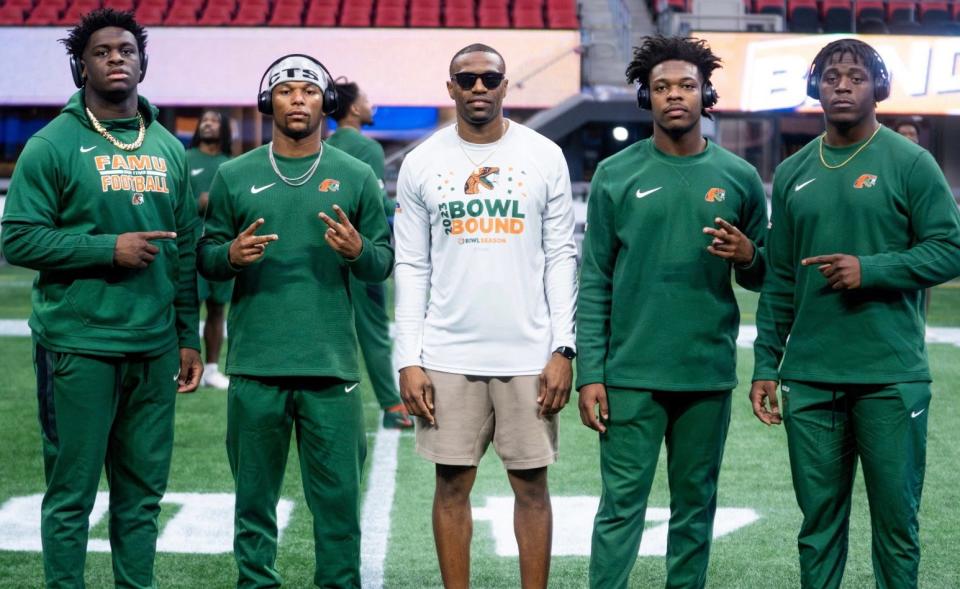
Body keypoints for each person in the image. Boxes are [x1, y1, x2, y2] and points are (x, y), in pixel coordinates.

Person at [0, 8, 202, 587]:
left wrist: (188, 336)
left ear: (143, 62)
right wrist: (105, 249)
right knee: (72, 496)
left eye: (127, 50)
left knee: (141, 498)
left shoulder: (166, 145)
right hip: (78, 343)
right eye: (102, 51)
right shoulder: (52, 143)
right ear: (79, 65)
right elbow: (18, 238)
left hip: (154, 345)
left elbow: (184, 248)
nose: (117, 58)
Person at [751, 38, 960, 589]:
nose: (842, 85)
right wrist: (765, 364)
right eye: (831, 76)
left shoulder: (910, 162)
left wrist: (871, 269)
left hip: (890, 376)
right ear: (814, 88)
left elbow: (950, 247)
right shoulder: (795, 170)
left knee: (897, 526)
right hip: (811, 378)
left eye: (856, 77)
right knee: (818, 527)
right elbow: (778, 279)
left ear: (878, 89)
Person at [576, 36, 767, 589]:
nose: (674, 96)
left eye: (686, 85)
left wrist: (750, 254)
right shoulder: (616, 175)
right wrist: (593, 372)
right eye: (661, 87)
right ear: (646, 98)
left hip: (705, 374)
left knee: (695, 508)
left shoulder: (739, 177)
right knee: (619, 510)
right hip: (631, 374)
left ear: (706, 93)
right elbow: (594, 282)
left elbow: (762, 274)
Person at [197, 54, 393, 588]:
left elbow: (383, 260)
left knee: (338, 508)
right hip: (256, 364)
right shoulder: (236, 175)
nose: (299, 99)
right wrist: (230, 257)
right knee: (254, 505)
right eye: (286, 91)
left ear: (325, 102)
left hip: (330, 366)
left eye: (310, 90)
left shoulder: (355, 174)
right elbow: (206, 254)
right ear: (270, 103)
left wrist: (357, 251)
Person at [394, 43, 578, 589]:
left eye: (488, 79)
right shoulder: (422, 161)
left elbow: (561, 258)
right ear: (449, 87)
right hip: (448, 355)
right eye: (466, 79)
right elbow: (411, 264)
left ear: (504, 85)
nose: (478, 88)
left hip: (528, 354)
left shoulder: (544, 154)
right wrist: (408, 358)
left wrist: (562, 348)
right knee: (451, 487)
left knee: (532, 489)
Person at [328, 79, 412, 429]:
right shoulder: (369, 149)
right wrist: (405, 206)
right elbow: (374, 202)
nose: (370, 106)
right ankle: (393, 408)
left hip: (327, 249)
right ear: (353, 109)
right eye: (365, 100)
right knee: (374, 331)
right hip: (362, 249)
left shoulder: (326, 146)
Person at [185, 108, 233, 389]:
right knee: (189, 307)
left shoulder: (230, 165)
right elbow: (171, 202)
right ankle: (185, 366)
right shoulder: (185, 159)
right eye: (204, 120)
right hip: (189, 247)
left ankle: (212, 370)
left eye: (214, 121)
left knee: (217, 308)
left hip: (221, 247)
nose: (207, 124)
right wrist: (197, 203)